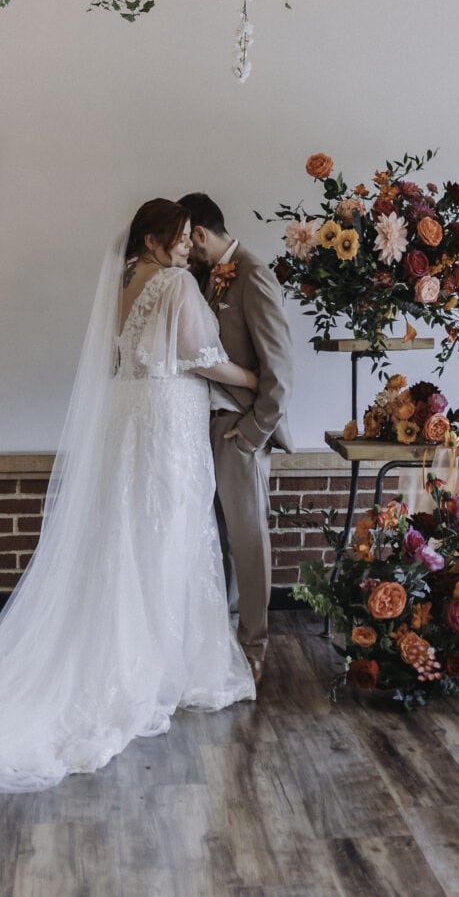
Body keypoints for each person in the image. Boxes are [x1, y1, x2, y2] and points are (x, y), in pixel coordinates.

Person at [0, 199, 257, 794]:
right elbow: (205, 358)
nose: (189, 247)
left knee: (128, 525)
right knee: (169, 527)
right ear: (151, 240)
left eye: (192, 239)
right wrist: (256, 379)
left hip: (128, 412)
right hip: (168, 415)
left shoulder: (122, 283)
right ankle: (160, 663)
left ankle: (142, 646)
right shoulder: (172, 284)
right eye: (179, 238)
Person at [178, 193, 293, 686]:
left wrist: (251, 435)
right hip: (199, 427)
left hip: (238, 430)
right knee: (214, 540)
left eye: (187, 240)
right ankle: (219, 641)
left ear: (200, 234)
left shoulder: (253, 273)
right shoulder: (203, 277)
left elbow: (280, 370)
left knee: (248, 540)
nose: (185, 251)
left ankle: (254, 645)